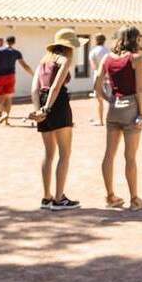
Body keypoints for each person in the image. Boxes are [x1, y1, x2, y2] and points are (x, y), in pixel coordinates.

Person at [29, 29, 87, 210]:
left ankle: (46, 197)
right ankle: (59, 198)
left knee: (48, 153)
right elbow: (56, 86)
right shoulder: (65, 60)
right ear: (69, 47)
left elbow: (34, 89)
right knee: (64, 153)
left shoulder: (42, 62)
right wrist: (48, 108)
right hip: (58, 104)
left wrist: (39, 110)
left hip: (42, 102)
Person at [94, 25, 142, 211]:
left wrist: (108, 98)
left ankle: (110, 196)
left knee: (109, 154)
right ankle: (134, 199)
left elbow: (97, 85)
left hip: (114, 108)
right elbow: (140, 89)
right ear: (135, 39)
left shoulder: (107, 58)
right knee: (130, 157)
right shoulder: (136, 58)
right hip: (131, 107)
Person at [0, 35, 34, 125]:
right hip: (11, 77)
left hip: (0, 77)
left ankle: (4, 113)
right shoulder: (16, 52)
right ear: (14, 42)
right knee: (8, 98)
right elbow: (25, 65)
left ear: (5, 41)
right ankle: (6, 121)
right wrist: (33, 74)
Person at [89, 34, 111, 126]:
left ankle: (101, 121)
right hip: (109, 77)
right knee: (110, 99)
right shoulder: (108, 51)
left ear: (96, 40)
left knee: (99, 100)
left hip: (98, 76)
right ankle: (110, 120)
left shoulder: (93, 52)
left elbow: (93, 66)